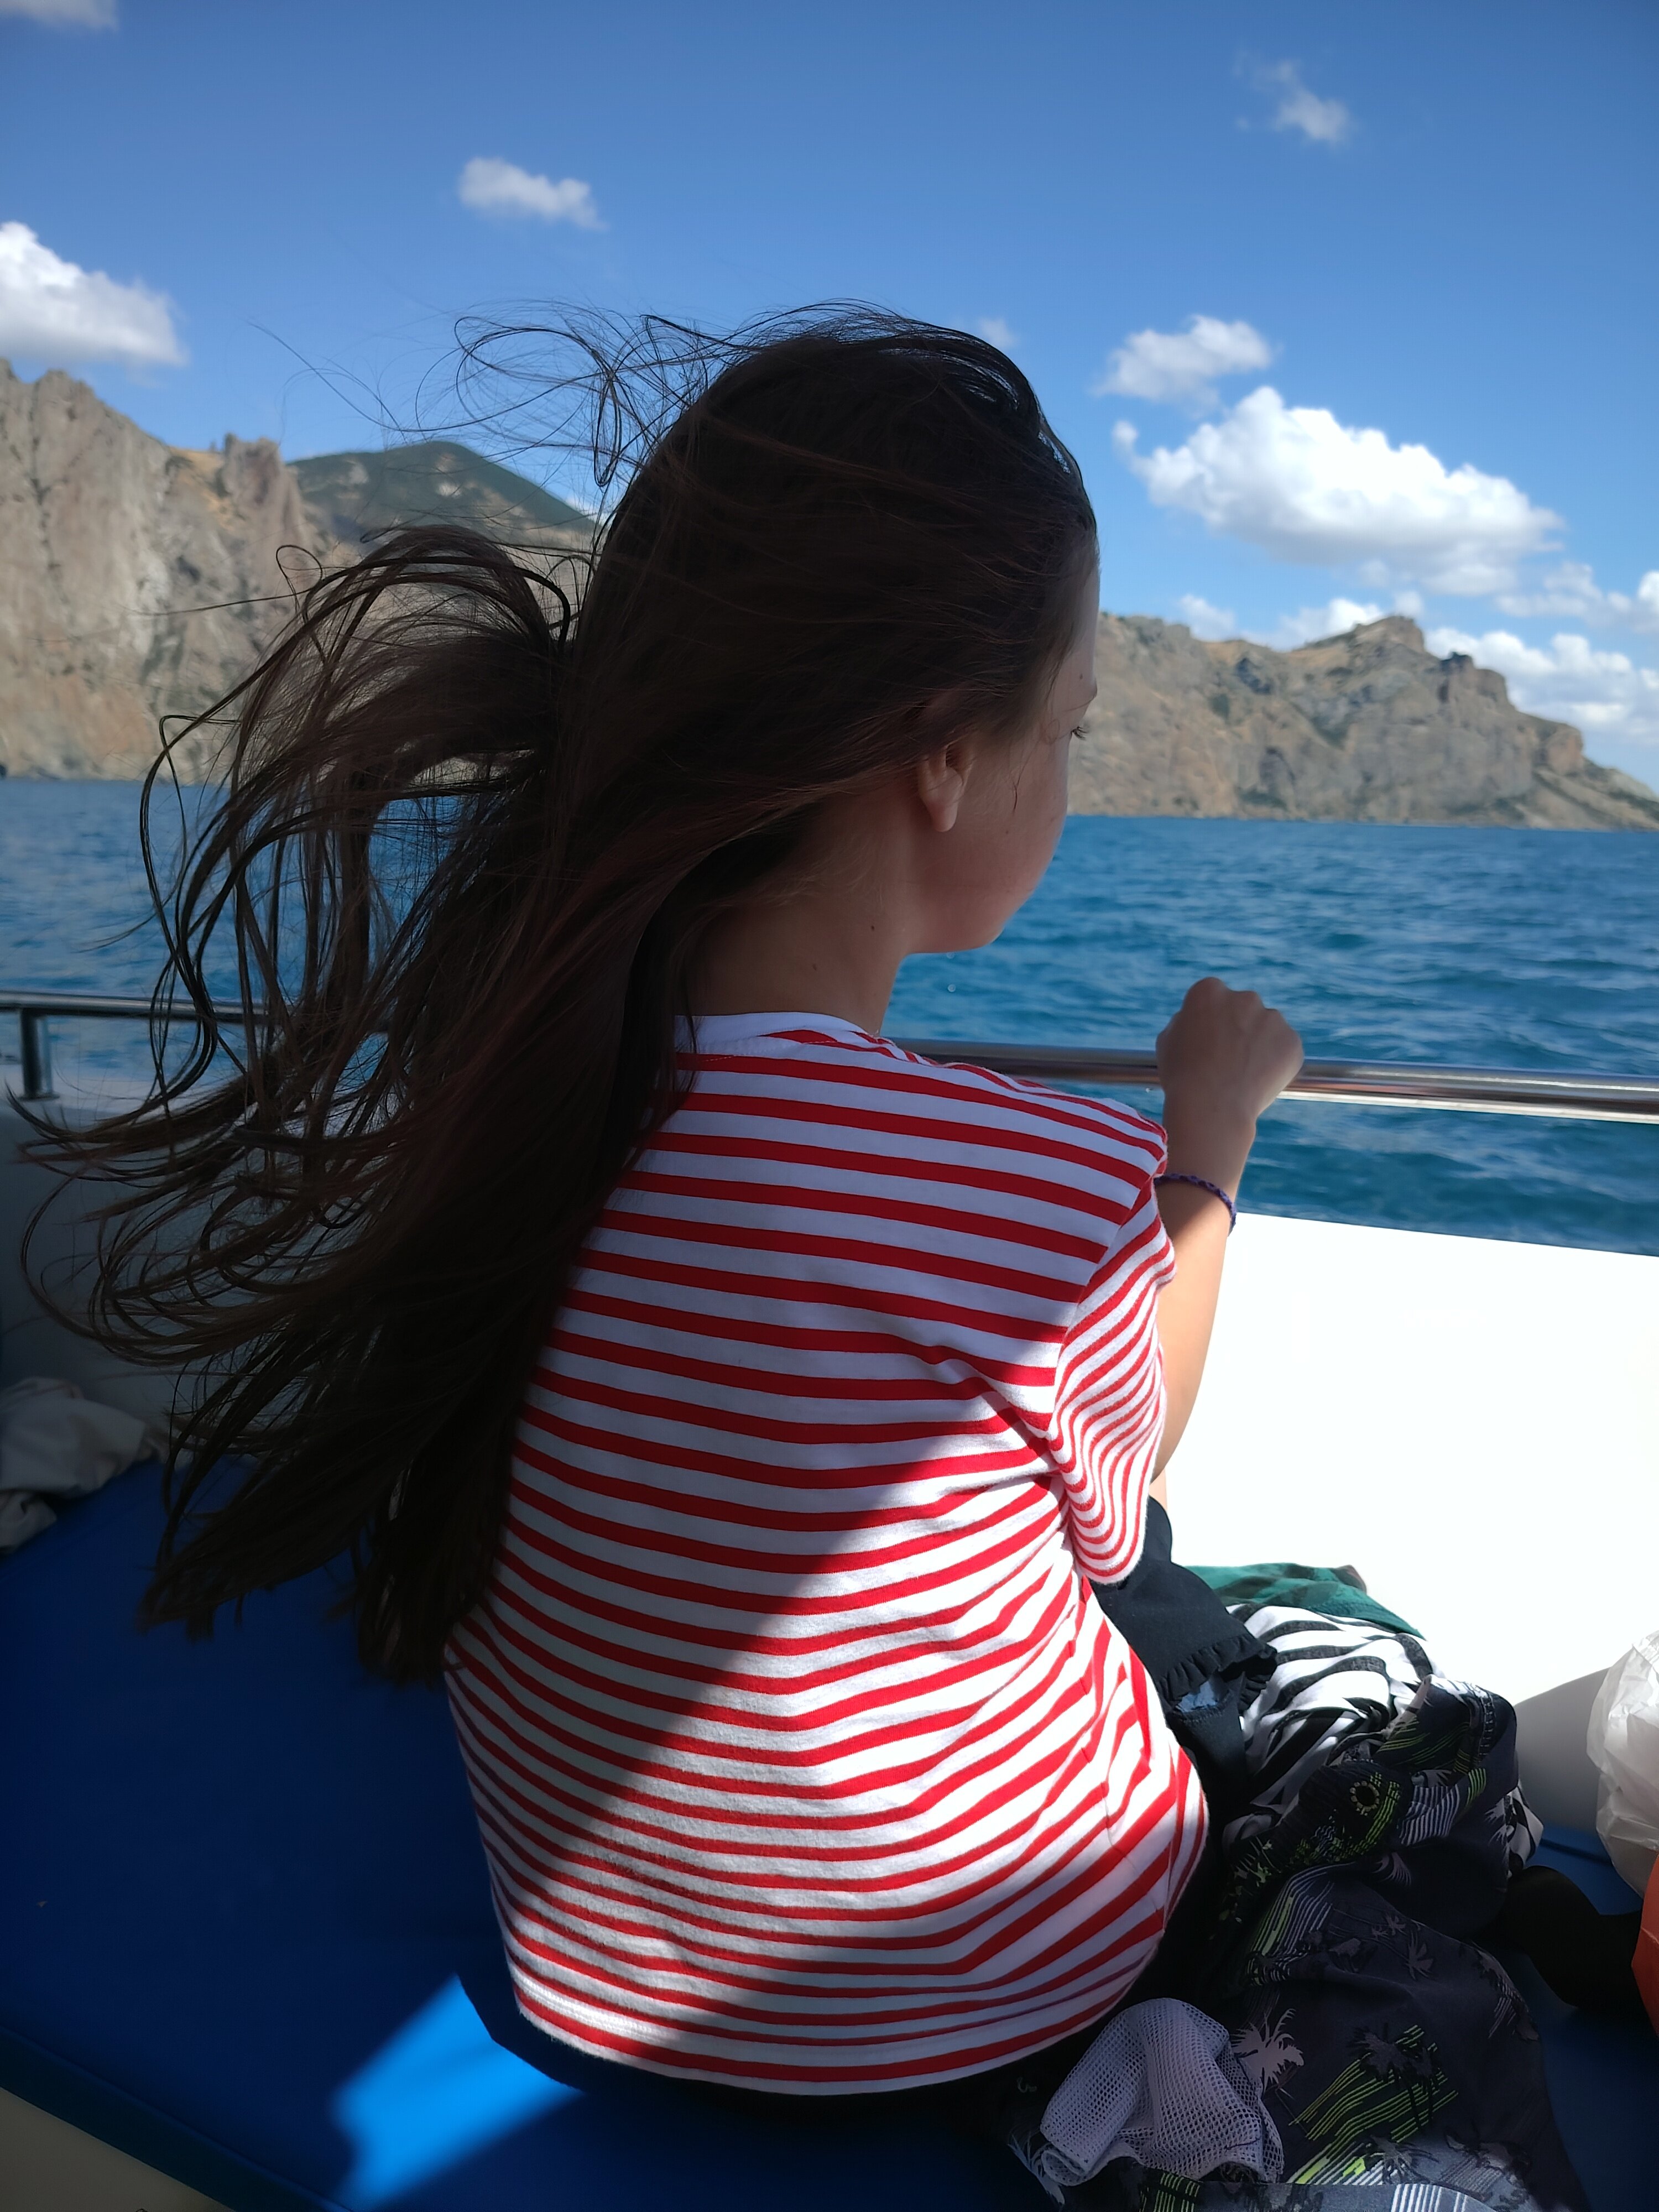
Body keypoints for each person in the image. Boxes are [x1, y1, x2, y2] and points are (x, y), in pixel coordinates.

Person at [43, 312, 1300, 2112]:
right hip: (1007, 1998)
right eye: (1072, 726)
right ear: (944, 753)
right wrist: (1206, 1153)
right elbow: (1122, 1494)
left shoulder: (499, 1105)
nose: (1073, 769)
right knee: (1157, 1581)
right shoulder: (1045, 1178)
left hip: (599, 1992)